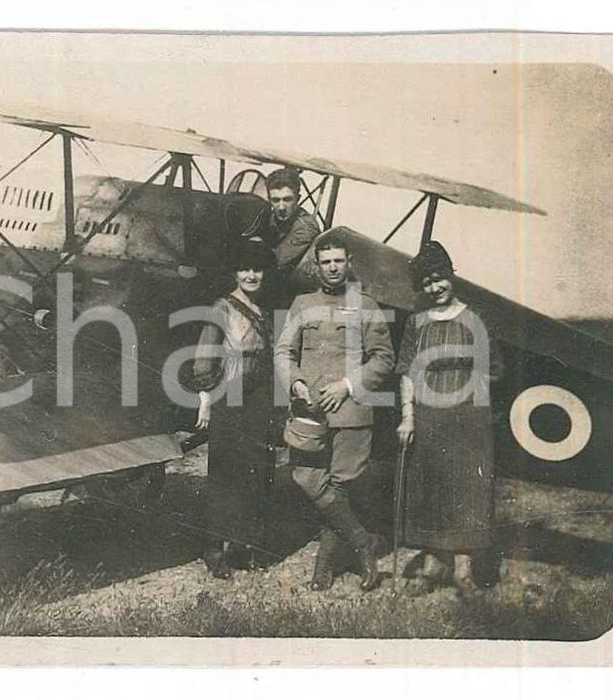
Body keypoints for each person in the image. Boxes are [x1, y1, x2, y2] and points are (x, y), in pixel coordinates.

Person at [274, 229, 395, 591]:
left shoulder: (367, 305)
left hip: (352, 412)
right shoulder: (301, 304)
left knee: (340, 486)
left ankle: (323, 567)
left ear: (349, 263)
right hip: (309, 411)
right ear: (317, 266)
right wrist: (293, 380)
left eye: (338, 261)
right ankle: (363, 543)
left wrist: (347, 386)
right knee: (306, 477)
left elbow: (384, 358)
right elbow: (284, 350)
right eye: (325, 262)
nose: (332, 268)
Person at [395, 241, 504, 598]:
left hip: (468, 417)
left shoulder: (477, 318)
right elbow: (407, 372)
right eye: (426, 282)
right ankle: (432, 565)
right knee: (430, 489)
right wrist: (408, 417)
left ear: (450, 276)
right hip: (427, 418)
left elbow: (492, 370)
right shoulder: (416, 323)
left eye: (439, 278)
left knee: (467, 490)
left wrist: (474, 412)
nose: (434, 288)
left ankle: (463, 571)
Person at [191, 240, 277, 579]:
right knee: (225, 474)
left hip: (257, 400)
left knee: (252, 473)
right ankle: (216, 550)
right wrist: (205, 399)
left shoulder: (263, 312)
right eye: (245, 268)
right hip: (228, 396)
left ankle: (242, 547)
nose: (252, 275)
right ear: (235, 272)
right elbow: (204, 355)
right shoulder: (222, 308)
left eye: (257, 269)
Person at [258, 166, 321, 275]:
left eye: (287, 200)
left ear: (298, 199)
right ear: (269, 200)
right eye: (275, 200)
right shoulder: (268, 216)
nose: (281, 207)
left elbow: (275, 262)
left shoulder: (306, 227)